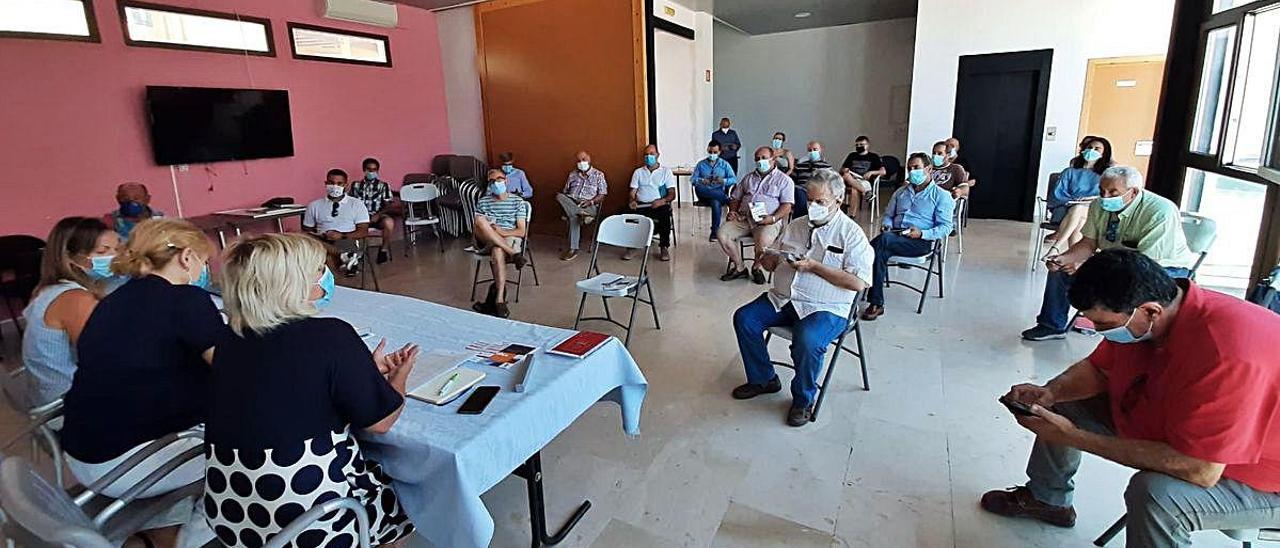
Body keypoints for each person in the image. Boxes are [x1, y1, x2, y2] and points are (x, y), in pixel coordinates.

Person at [983, 249, 1280, 548]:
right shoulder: (1157, 314)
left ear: (1151, 311)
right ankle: (1048, 500)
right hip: (1185, 430)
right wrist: (1052, 391)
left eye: (1104, 326)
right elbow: (1098, 369)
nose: (1099, 332)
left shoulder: (1227, 354)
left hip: (1260, 478)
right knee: (1056, 407)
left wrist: (1073, 436)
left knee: (1157, 496)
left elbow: (1200, 470)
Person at [208, 233, 417, 548]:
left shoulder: (227, 340)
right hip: (311, 518)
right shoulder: (330, 336)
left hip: (232, 510)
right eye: (318, 270)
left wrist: (363, 372)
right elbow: (381, 422)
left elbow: (289, 388)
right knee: (395, 491)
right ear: (291, 284)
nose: (326, 277)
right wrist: (398, 379)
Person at [62, 218, 226, 548]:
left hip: (81, 448)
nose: (205, 270)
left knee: (196, 427)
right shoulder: (186, 301)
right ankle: (186, 542)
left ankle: (158, 533)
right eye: (204, 261)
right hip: (123, 461)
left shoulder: (113, 300)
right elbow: (237, 373)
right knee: (253, 450)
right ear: (186, 257)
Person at [730, 169, 873, 427]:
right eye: (809, 200)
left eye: (820, 202)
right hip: (786, 298)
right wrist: (768, 259)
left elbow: (858, 282)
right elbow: (776, 263)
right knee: (745, 318)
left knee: (807, 340)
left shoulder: (851, 234)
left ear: (838, 201)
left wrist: (815, 267)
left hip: (827, 307)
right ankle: (764, 379)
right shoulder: (796, 226)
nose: (813, 206)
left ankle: (803, 399)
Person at [1021, 165, 1199, 341]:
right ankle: (1051, 325)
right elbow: (1088, 243)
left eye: (1113, 192)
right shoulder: (1098, 204)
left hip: (1161, 269)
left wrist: (1087, 267)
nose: (1105, 196)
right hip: (1117, 263)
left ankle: (1124, 330)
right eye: (1102, 190)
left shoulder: (1160, 211)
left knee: (1114, 286)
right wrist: (1063, 258)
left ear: (1134, 192)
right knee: (1060, 270)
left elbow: (1143, 264)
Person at [21, 217, 118, 408]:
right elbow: (108, 359)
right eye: (102, 252)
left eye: (118, 249)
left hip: (49, 396)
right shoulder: (76, 299)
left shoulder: (47, 289)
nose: (115, 257)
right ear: (71, 257)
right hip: (69, 406)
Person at [861, 152, 956, 321]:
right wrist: (887, 225)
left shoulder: (942, 196)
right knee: (881, 249)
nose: (912, 172)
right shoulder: (900, 192)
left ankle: (862, 289)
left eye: (916, 168)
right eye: (910, 168)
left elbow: (946, 227)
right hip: (895, 236)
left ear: (929, 169)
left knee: (876, 246)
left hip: (921, 241)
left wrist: (922, 233)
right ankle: (876, 302)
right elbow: (888, 215)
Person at [718, 146, 795, 285]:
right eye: (757, 159)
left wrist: (772, 218)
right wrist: (733, 212)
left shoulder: (784, 180)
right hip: (745, 219)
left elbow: (787, 205)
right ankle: (740, 267)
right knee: (722, 234)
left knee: (763, 241)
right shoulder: (748, 178)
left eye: (764, 158)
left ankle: (757, 267)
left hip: (768, 220)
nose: (761, 161)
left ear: (773, 159)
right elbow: (735, 198)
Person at [471, 169, 530, 318]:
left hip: (508, 236)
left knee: (497, 251)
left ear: (506, 181)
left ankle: (499, 300)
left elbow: (521, 231)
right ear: (489, 185)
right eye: (492, 181)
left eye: (500, 179)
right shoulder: (484, 201)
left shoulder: (517, 202)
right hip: (486, 239)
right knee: (479, 220)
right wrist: (491, 230)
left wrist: (502, 232)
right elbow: (478, 227)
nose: (497, 183)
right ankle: (513, 254)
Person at [1045, 137, 1113, 255]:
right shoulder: (1070, 172)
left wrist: (1087, 200)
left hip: (1095, 209)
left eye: (1097, 149)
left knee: (1079, 211)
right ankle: (1074, 259)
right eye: (1090, 148)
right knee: (1079, 219)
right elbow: (1058, 194)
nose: (1092, 150)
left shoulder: (1106, 174)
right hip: (1068, 208)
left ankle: (1057, 246)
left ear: (1104, 153)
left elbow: (1107, 196)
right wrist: (1073, 201)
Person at [303, 169, 371, 277]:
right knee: (302, 238)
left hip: (346, 240)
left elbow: (363, 231)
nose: (335, 186)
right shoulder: (314, 205)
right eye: (331, 183)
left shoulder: (356, 204)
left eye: (339, 184)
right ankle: (344, 256)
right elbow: (307, 231)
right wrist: (321, 235)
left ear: (346, 185)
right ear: (326, 184)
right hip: (321, 240)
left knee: (328, 257)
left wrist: (342, 235)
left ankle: (341, 257)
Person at [625, 144, 676, 262]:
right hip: (641, 204)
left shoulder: (665, 172)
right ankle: (632, 247)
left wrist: (662, 201)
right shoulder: (638, 172)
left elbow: (672, 194)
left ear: (658, 155)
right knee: (626, 213)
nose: (649, 157)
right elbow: (632, 191)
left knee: (664, 215)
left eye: (652, 154)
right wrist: (632, 201)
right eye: (646, 154)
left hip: (659, 204)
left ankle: (664, 247)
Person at [556, 151, 608, 262]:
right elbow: (565, 192)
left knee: (573, 218)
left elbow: (602, 195)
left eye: (583, 160)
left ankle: (573, 249)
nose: (581, 163)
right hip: (572, 202)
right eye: (579, 161)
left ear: (589, 160)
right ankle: (580, 214)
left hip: (589, 205)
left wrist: (591, 202)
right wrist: (571, 202)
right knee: (559, 196)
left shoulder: (598, 175)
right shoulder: (572, 174)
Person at [349, 157, 398, 264]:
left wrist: (378, 215)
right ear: (364, 170)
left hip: (377, 216)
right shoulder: (356, 185)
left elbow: (388, 205)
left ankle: (383, 250)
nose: (372, 172)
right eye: (369, 169)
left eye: (374, 170)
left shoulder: (383, 186)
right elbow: (349, 203)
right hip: (359, 218)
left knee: (389, 223)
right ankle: (355, 254)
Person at [691, 140, 737, 242]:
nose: (712, 154)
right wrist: (702, 180)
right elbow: (693, 180)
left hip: (717, 191)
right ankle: (726, 199)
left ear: (719, 152)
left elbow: (734, 179)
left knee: (716, 203)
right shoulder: (701, 164)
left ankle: (714, 232)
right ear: (708, 150)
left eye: (715, 152)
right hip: (703, 192)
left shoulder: (724, 164)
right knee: (701, 188)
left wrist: (723, 181)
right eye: (710, 152)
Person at [839, 135, 884, 215]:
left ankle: (852, 215)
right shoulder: (852, 155)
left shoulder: (873, 157)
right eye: (857, 145)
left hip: (865, 181)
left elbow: (883, 172)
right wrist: (844, 170)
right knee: (846, 175)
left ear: (867, 145)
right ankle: (867, 193)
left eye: (861, 145)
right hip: (851, 178)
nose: (859, 147)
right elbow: (842, 170)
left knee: (854, 189)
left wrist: (871, 172)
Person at [792, 141, 835, 218]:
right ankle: (799, 221)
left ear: (820, 150)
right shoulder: (800, 165)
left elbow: (831, 183)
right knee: (800, 194)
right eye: (809, 150)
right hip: (802, 190)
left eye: (815, 149)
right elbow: (792, 181)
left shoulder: (827, 167)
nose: (812, 152)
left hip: (819, 191)